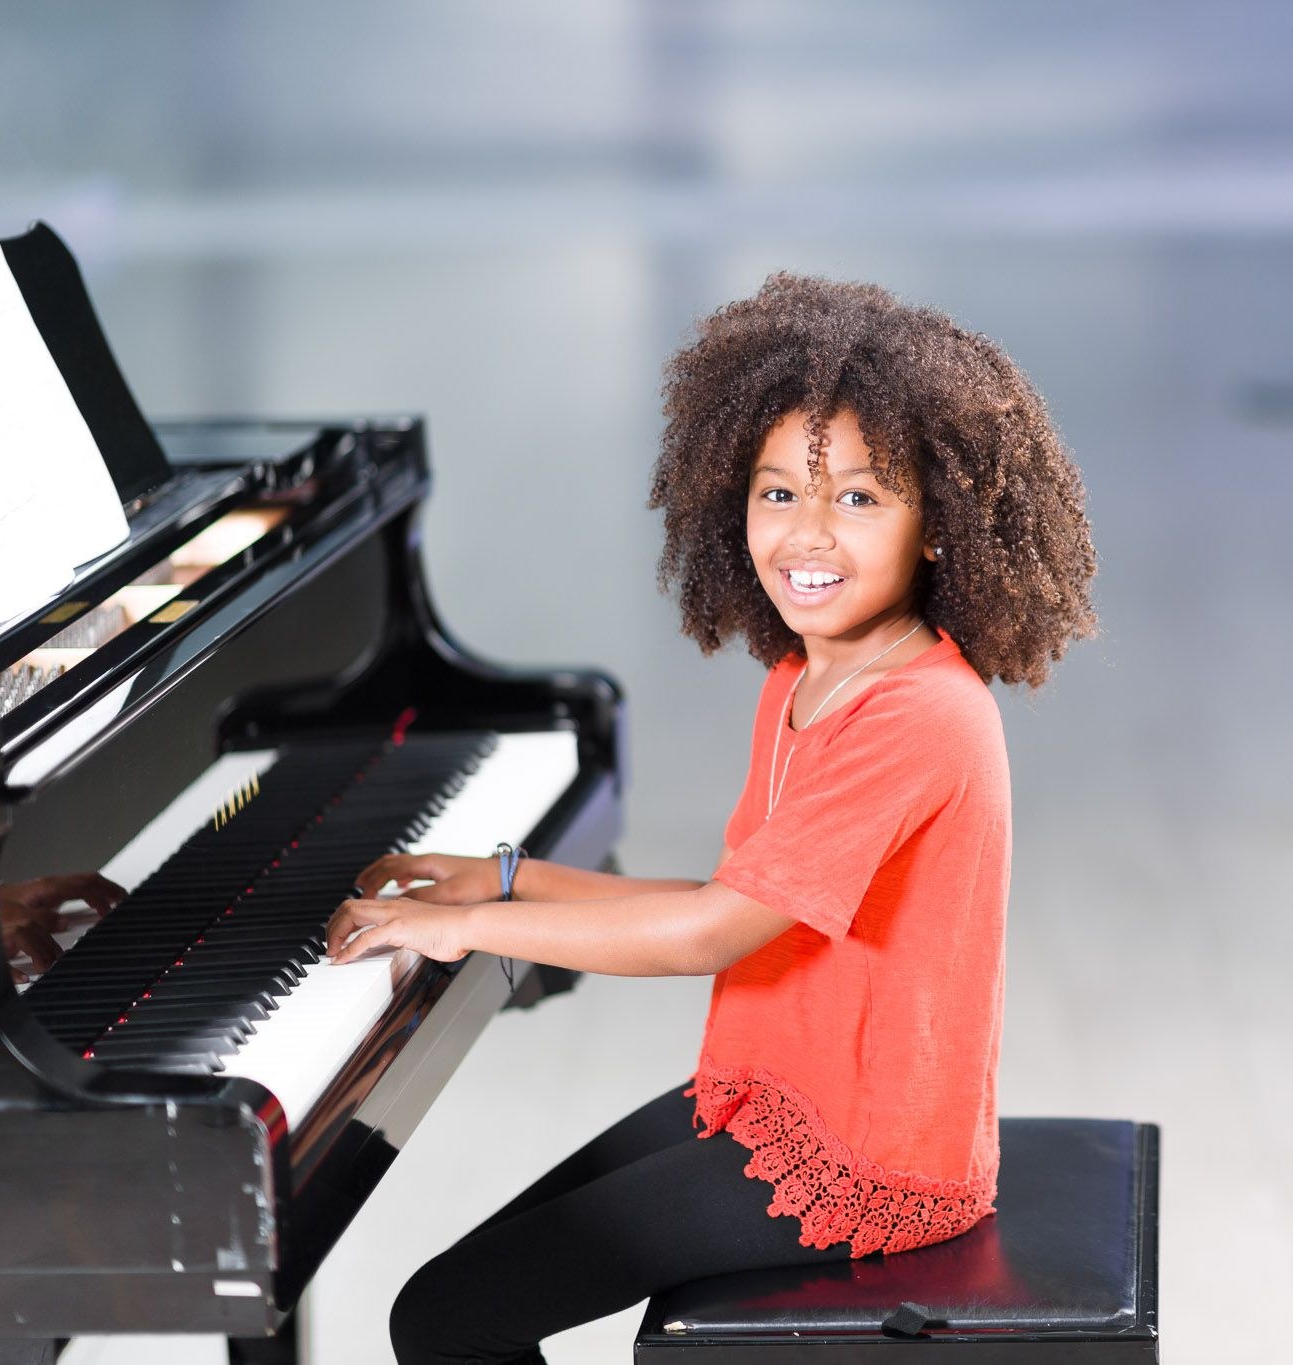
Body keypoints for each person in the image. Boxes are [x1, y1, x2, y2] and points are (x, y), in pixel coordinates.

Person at [326, 272, 1098, 1365]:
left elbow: (707, 938)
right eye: (777, 493)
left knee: (446, 1315)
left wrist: (464, 931)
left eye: (860, 498)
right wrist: (505, 880)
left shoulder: (920, 713)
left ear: (940, 528)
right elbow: (726, 901)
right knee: (459, 1297)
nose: (805, 533)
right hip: (774, 1102)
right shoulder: (799, 677)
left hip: (867, 1160)